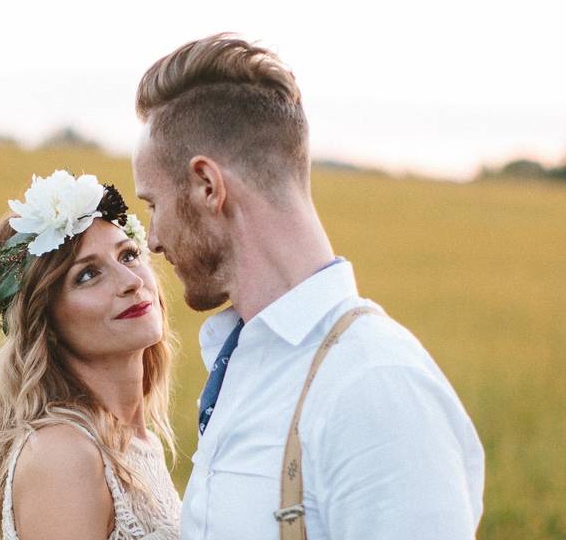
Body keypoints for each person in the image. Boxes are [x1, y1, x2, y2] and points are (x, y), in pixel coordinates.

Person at [131, 34, 485, 539]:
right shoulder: (249, 364)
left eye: (153, 205)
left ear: (207, 185)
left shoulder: (375, 387)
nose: (153, 239)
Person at [0, 170, 181, 540]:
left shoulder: (138, 443)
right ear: (47, 323)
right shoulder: (63, 454)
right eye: (88, 275)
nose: (131, 282)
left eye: (129, 255)